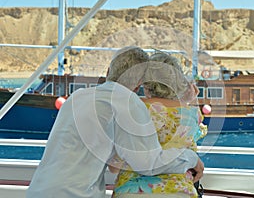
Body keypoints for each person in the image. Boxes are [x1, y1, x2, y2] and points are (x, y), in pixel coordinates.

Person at [26, 46, 204, 198]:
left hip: (38, 190)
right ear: (138, 84)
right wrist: (191, 158)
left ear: (108, 72)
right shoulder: (127, 103)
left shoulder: (77, 98)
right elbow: (148, 163)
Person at [110, 52, 207, 198]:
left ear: (145, 84)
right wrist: (188, 101)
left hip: (131, 191)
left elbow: (114, 166)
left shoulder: (133, 110)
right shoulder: (192, 114)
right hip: (179, 192)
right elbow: (196, 137)